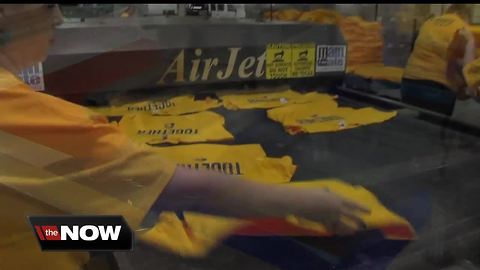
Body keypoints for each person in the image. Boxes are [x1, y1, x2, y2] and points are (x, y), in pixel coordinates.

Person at [0, 4, 369, 270]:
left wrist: (124, 232)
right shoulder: (20, 111)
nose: (60, 17)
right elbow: (185, 189)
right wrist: (310, 204)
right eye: (49, 4)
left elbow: (35, 229)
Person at [401, 4, 476, 116]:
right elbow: (468, 69)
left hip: (408, 84)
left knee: (416, 127)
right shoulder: (463, 30)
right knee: (436, 130)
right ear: (466, 15)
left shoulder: (429, 23)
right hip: (437, 89)